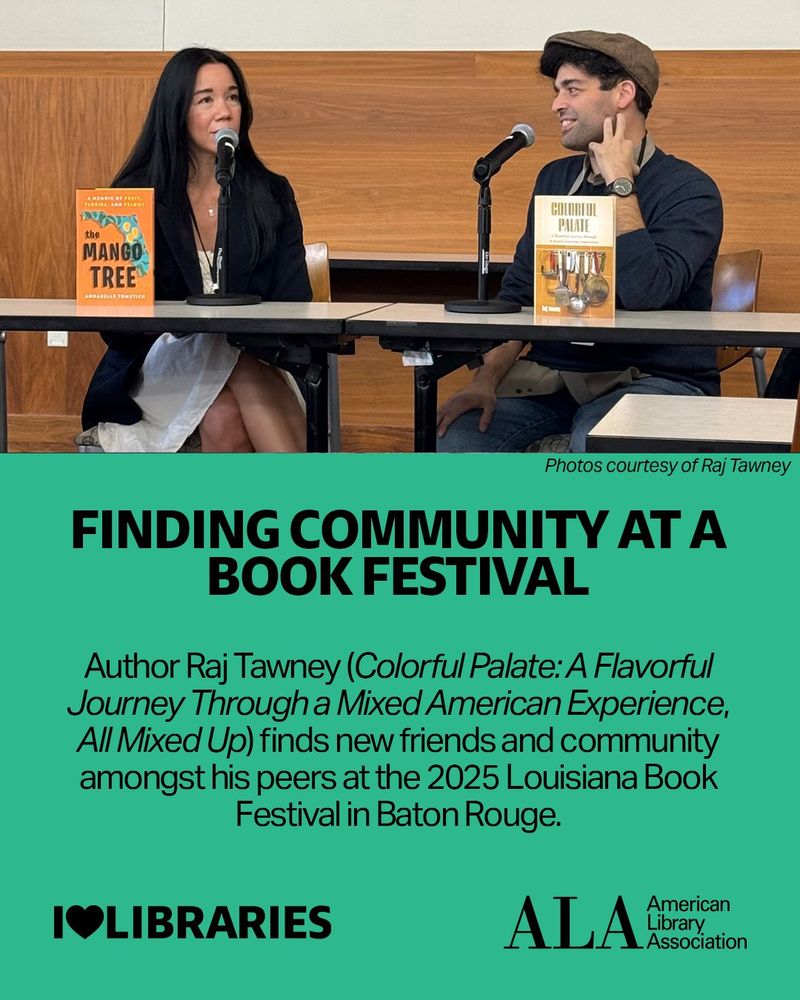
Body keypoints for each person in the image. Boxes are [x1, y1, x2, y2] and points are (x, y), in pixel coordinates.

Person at [437, 31, 723, 453]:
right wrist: (485, 380)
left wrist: (620, 182)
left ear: (623, 93)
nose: (556, 104)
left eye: (572, 89)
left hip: (655, 379)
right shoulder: (554, 179)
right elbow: (520, 296)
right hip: (552, 380)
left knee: (598, 438)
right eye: (557, 91)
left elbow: (648, 292)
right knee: (459, 438)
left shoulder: (690, 189)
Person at [81, 47, 312, 452]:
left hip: (255, 360)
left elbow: (295, 302)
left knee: (226, 409)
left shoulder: (270, 193)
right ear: (177, 112)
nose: (224, 111)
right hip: (161, 368)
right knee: (227, 354)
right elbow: (114, 326)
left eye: (232, 97)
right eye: (206, 99)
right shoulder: (131, 197)